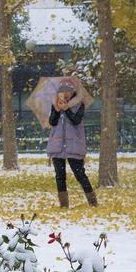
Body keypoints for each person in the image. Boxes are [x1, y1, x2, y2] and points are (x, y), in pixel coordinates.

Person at [47, 80, 97, 208]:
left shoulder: (79, 104)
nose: (65, 94)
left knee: (80, 174)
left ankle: (93, 202)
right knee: (60, 176)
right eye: (62, 91)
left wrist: (67, 109)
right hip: (58, 145)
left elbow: (76, 120)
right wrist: (57, 110)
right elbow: (52, 122)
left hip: (74, 145)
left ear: (73, 92)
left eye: (68, 91)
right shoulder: (55, 104)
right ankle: (64, 205)